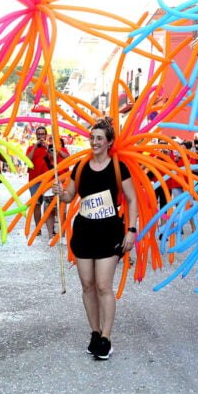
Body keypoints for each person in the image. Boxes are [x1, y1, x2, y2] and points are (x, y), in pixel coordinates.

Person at [52, 117, 137, 360]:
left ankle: (106, 338)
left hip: (109, 232)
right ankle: (94, 332)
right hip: (84, 231)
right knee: (87, 285)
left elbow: (132, 199)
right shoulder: (80, 167)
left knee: (102, 286)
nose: (95, 142)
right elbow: (69, 196)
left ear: (109, 142)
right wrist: (61, 192)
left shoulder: (119, 168)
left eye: (100, 138)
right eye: (92, 138)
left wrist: (131, 231)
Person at [26, 126, 50, 234]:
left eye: (42, 134)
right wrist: (35, 147)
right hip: (34, 180)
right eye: (38, 134)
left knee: (48, 204)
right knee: (36, 204)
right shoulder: (31, 148)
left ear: (46, 135)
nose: (40, 136)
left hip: (47, 180)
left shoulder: (49, 147)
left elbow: (54, 158)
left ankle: (49, 226)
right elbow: (27, 160)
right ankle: (38, 228)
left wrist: (47, 147)